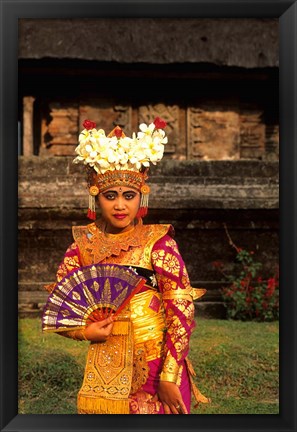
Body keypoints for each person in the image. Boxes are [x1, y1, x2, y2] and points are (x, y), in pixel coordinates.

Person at [43, 117, 209, 414]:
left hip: (157, 364)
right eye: (111, 196)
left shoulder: (158, 243)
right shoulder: (81, 247)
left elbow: (181, 311)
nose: (120, 206)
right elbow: (60, 308)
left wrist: (170, 375)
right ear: (96, 198)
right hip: (105, 364)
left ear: (140, 196)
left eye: (129, 196)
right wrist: (86, 332)